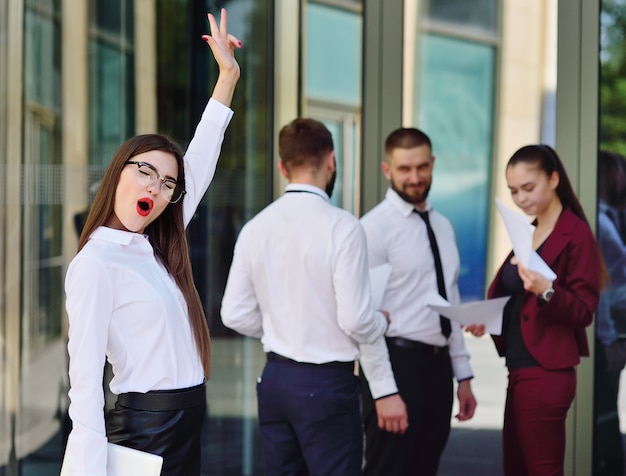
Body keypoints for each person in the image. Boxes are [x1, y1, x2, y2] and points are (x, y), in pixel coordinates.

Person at [62, 9, 240, 476]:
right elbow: (83, 380)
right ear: (117, 172)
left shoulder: (157, 250)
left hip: (185, 423)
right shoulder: (96, 263)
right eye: (145, 171)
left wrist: (227, 79)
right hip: (145, 430)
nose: (155, 189)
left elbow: (199, 160)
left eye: (166, 184)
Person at [220, 118, 396, 476]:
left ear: (283, 167)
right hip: (327, 384)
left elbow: (233, 314)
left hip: (276, 380)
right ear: (331, 160)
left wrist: (277, 322)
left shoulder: (255, 228)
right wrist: (382, 320)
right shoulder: (343, 226)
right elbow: (356, 319)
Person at [468, 144, 601, 476]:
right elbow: (517, 300)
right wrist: (488, 319)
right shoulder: (527, 231)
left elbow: (584, 311)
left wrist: (548, 291)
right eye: (513, 191)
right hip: (520, 368)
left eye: (528, 188)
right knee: (517, 468)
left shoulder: (576, 234)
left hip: (545, 370)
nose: (520, 198)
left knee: (542, 470)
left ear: (554, 179)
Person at [358, 127, 477, 476]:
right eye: (405, 169)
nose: (415, 177)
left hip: (438, 370)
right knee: (388, 469)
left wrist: (464, 374)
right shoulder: (373, 228)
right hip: (397, 365)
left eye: (422, 167)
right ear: (387, 170)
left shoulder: (443, 225)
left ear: (433, 163)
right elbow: (364, 318)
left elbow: (449, 300)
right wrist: (383, 393)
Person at [594, 150, 626, 476]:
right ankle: (607, 460)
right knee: (604, 397)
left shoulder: (609, 216)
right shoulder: (599, 221)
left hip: (616, 320)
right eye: (619, 172)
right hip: (612, 323)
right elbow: (599, 284)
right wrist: (609, 338)